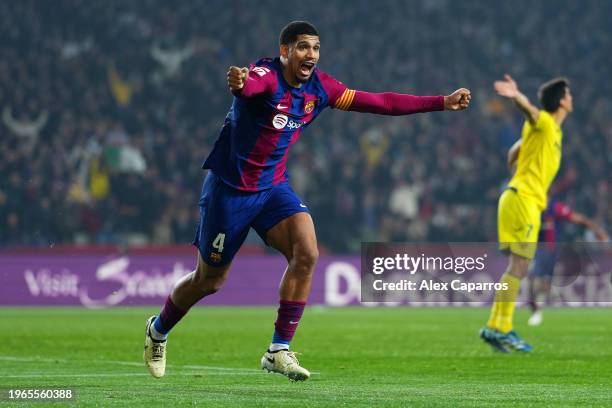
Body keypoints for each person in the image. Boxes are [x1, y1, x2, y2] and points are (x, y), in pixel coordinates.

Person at [144, 21, 471, 381]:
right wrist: (240, 83)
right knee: (209, 281)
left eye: (315, 48)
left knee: (307, 253)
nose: (310, 55)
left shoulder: (322, 88)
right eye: (302, 47)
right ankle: (158, 330)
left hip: (272, 189)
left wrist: (441, 102)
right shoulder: (267, 75)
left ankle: (278, 350)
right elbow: (251, 84)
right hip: (229, 192)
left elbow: (381, 102)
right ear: (285, 51)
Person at [480, 74, 572, 353]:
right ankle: (503, 329)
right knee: (519, 268)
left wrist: (515, 164)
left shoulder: (552, 133)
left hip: (521, 199)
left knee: (516, 268)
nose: (571, 98)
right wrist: (516, 95)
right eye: (568, 94)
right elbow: (531, 112)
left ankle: (495, 327)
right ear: (561, 102)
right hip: (523, 200)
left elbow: (515, 151)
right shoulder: (544, 122)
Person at [526, 198, 609, 326]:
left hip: (549, 251)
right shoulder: (529, 208)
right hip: (534, 249)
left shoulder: (554, 207)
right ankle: (543, 301)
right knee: (534, 281)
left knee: (536, 280)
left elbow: (578, 218)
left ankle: (539, 306)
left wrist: (598, 231)